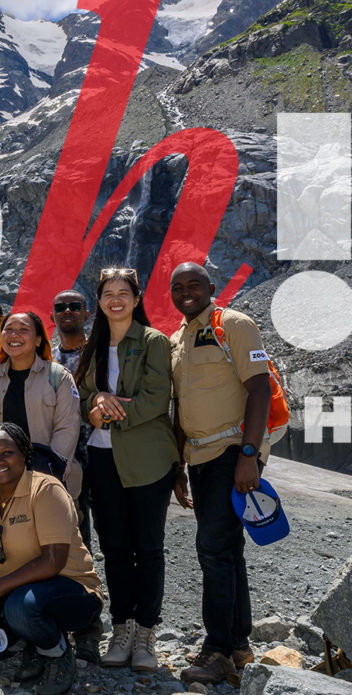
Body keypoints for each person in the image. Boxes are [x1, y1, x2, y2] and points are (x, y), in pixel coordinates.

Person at [168, 262, 272, 685]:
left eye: (194, 284)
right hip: (199, 458)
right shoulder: (176, 339)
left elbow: (260, 388)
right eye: (178, 287)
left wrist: (249, 454)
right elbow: (179, 407)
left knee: (213, 550)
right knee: (226, 550)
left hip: (232, 451)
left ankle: (218, 650)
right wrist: (178, 464)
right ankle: (238, 646)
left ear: (211, 287)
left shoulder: (235, 323)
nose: (186, 291)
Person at [74, 268, 179, 671]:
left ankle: (146, 635)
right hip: (102, 460)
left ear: (137, 299)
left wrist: (110, 410)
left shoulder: (154, 341)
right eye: (107, 293)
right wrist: (94, 404)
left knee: (148, 548)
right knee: (115, 548)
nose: (115, 300)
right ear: (99, 301)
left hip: (148, 460)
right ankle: (122, 627)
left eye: (124, 293)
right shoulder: (94, 345)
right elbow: (82, 396)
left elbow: (156, 399)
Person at [0, 423, 103, 695]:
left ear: (25, 453)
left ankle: (56, 653)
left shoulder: (47, 490)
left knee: (20, 608)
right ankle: (34, 643)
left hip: (72, 591)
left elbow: (53, 561)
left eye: (7, 453)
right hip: (18, 592)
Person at [0, 311, 82, 499]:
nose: (15, 335)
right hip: (6, 485)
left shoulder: (59, 377)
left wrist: (47, 474)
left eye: (23, 330)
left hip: (54, 484)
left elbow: (67, 428)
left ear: (38, 340)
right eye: (9, 330)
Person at [50, 289, 94, 548]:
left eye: (75, 305)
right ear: (53, 315)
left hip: (101, 454)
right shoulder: (47, 360)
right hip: (64, 458)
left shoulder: (101, 353)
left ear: (87, 314)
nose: (67, 310)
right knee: (73, 532)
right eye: (61, 306)